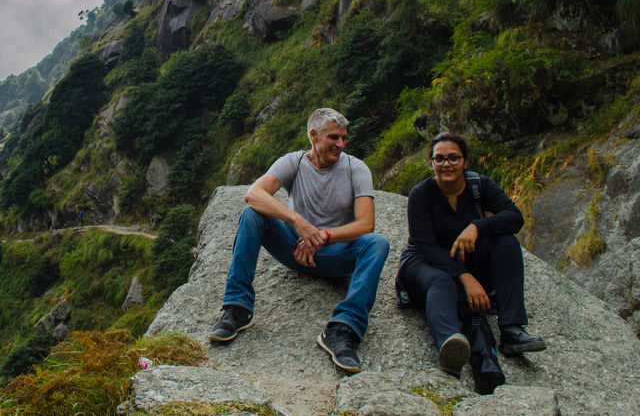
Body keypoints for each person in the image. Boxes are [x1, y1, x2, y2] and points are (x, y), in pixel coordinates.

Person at [208, 108, 390, 373]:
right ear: (313, 135)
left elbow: (365, 224)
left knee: (378, 244)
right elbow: (254, 194)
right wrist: (297, 221)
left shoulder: (356, 168)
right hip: (295, 250)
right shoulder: (293, 162)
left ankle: (343, 329)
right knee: (251, 215)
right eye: (333, 138)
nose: (340, 144)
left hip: (334, 255)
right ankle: (237, 308)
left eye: (343, 138)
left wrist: (323, 236)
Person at [396, 132, 545, 394]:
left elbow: (513, 218)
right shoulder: (421, 194)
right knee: (443, 281)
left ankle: (511, 329)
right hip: (423, 262)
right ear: (431, 163)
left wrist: (478, 226)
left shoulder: (479, 185)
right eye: (439, 159)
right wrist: (465, 278)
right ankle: (450, 344)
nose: (446, 165)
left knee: (506, 242)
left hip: (463, 257)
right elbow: (426, 245)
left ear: (465, 161)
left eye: (453, 158)